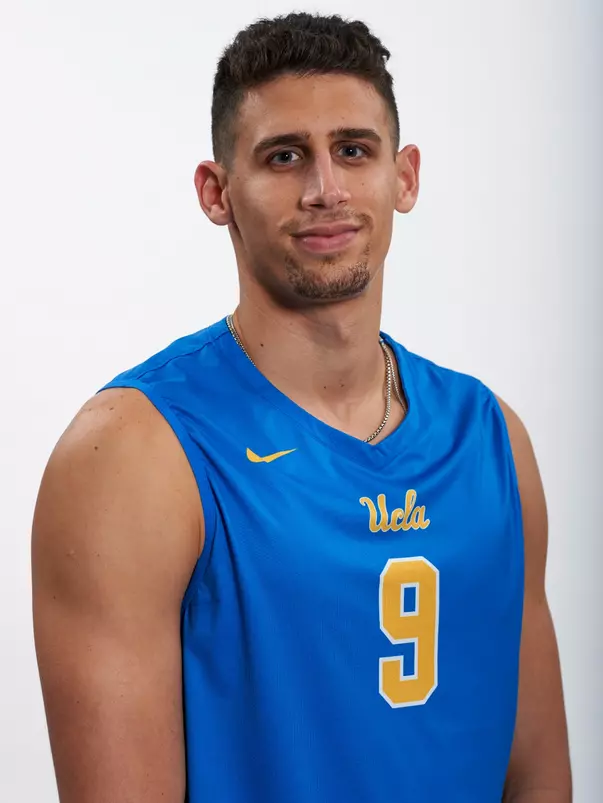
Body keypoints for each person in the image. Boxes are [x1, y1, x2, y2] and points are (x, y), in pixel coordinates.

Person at [31, 11, 572, 803]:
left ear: (404, 177)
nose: (325, 189)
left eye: (353, 150)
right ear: (216, 192)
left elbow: (536, 776)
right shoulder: (134, 456)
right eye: (284, 157)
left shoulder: (490, 438)